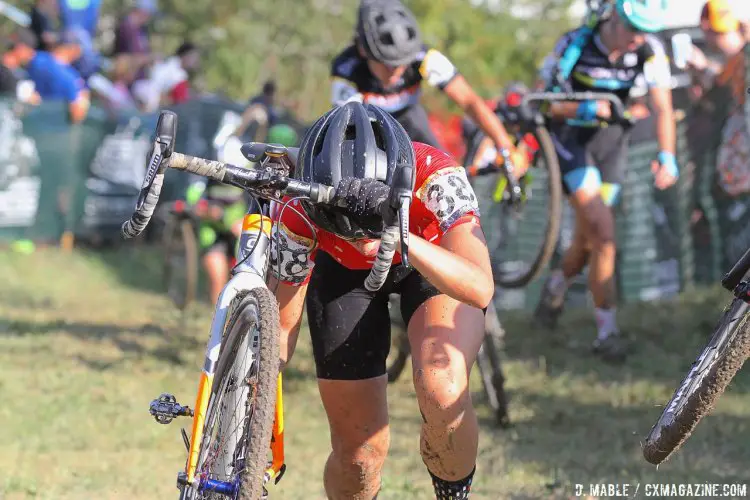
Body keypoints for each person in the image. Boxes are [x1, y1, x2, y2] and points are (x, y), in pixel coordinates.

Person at [271, 101, 492, 499]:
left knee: (442, 387)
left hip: (426, 254)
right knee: (360, 454)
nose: (361, 239)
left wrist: (401, 240)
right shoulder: (297, 203)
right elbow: (282, 328)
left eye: (365, 230)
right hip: (340, 274)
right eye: (344, 228)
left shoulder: (437, 176)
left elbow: (478, 287)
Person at [533, 0, 678, 362]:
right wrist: (583, 108)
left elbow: (663, 106)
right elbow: (541, 102)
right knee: (604, 233)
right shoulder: (574, 45)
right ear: (614, 17)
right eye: (632, 28)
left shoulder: (649, 50)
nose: (637, 38)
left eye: (645, 31)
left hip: (612, 147)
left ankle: (555, 288)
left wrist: (668, 155)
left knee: (588, 240)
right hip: (571, 143)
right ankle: (607, 333)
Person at [331, 0, 528, 174]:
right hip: (367, 128)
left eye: (402, 64)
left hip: (411, 122)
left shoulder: (423, 57)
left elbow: (469, 101)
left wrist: (505, 146)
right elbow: (343, 126)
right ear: (363, 50)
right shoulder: (345, 68)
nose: (396, 71)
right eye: (387, 63)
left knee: (448, 172)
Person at [188, 123, 299, 305]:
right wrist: (204, 210)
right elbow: (194, 198)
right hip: (212, 231)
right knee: (217, 275)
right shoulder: (209, 174)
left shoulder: (255, 170)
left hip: (241, 229)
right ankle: (221, 319)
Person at [3, 38, 89, 123]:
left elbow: (10, 61)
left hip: (19, 112)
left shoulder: (38, 57)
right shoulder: (72, 79)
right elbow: (77, 114)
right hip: (43, 126)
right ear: (76, 51)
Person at [685, 0, 748, 100]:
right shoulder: (738, 57)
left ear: (705, 27)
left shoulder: (744, 57)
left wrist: (704, 67)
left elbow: (731, 85)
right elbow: (726, 79)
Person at [132, 41, 200, 112]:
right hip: (147, 104)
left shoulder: (175, 68)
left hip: (148, 101)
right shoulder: (173, 69)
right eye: (193, 57)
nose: (195, 60)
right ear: (185, 55)